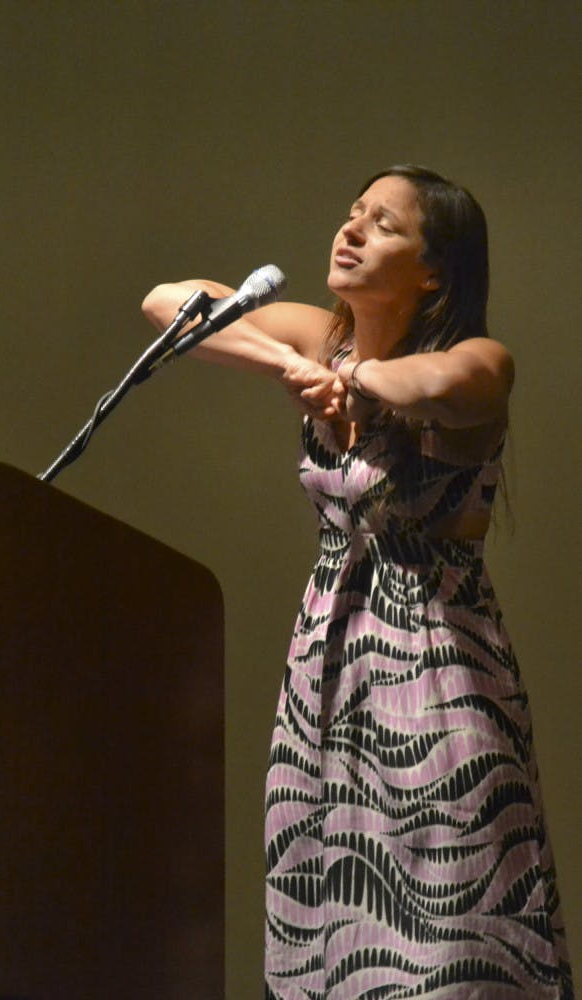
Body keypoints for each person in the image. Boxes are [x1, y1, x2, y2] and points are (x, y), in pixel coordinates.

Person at [142, 165, 572, 999]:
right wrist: (287, 364)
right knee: (329, 928)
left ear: (433, 271)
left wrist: (354, 382)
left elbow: (435, 385)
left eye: (382, 224)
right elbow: (167, 304)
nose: (350, 230)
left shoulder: (480, 358)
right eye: (352, 214)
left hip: (438, 679)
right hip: (325, 677)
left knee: (447, 939)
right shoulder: (317, 337)